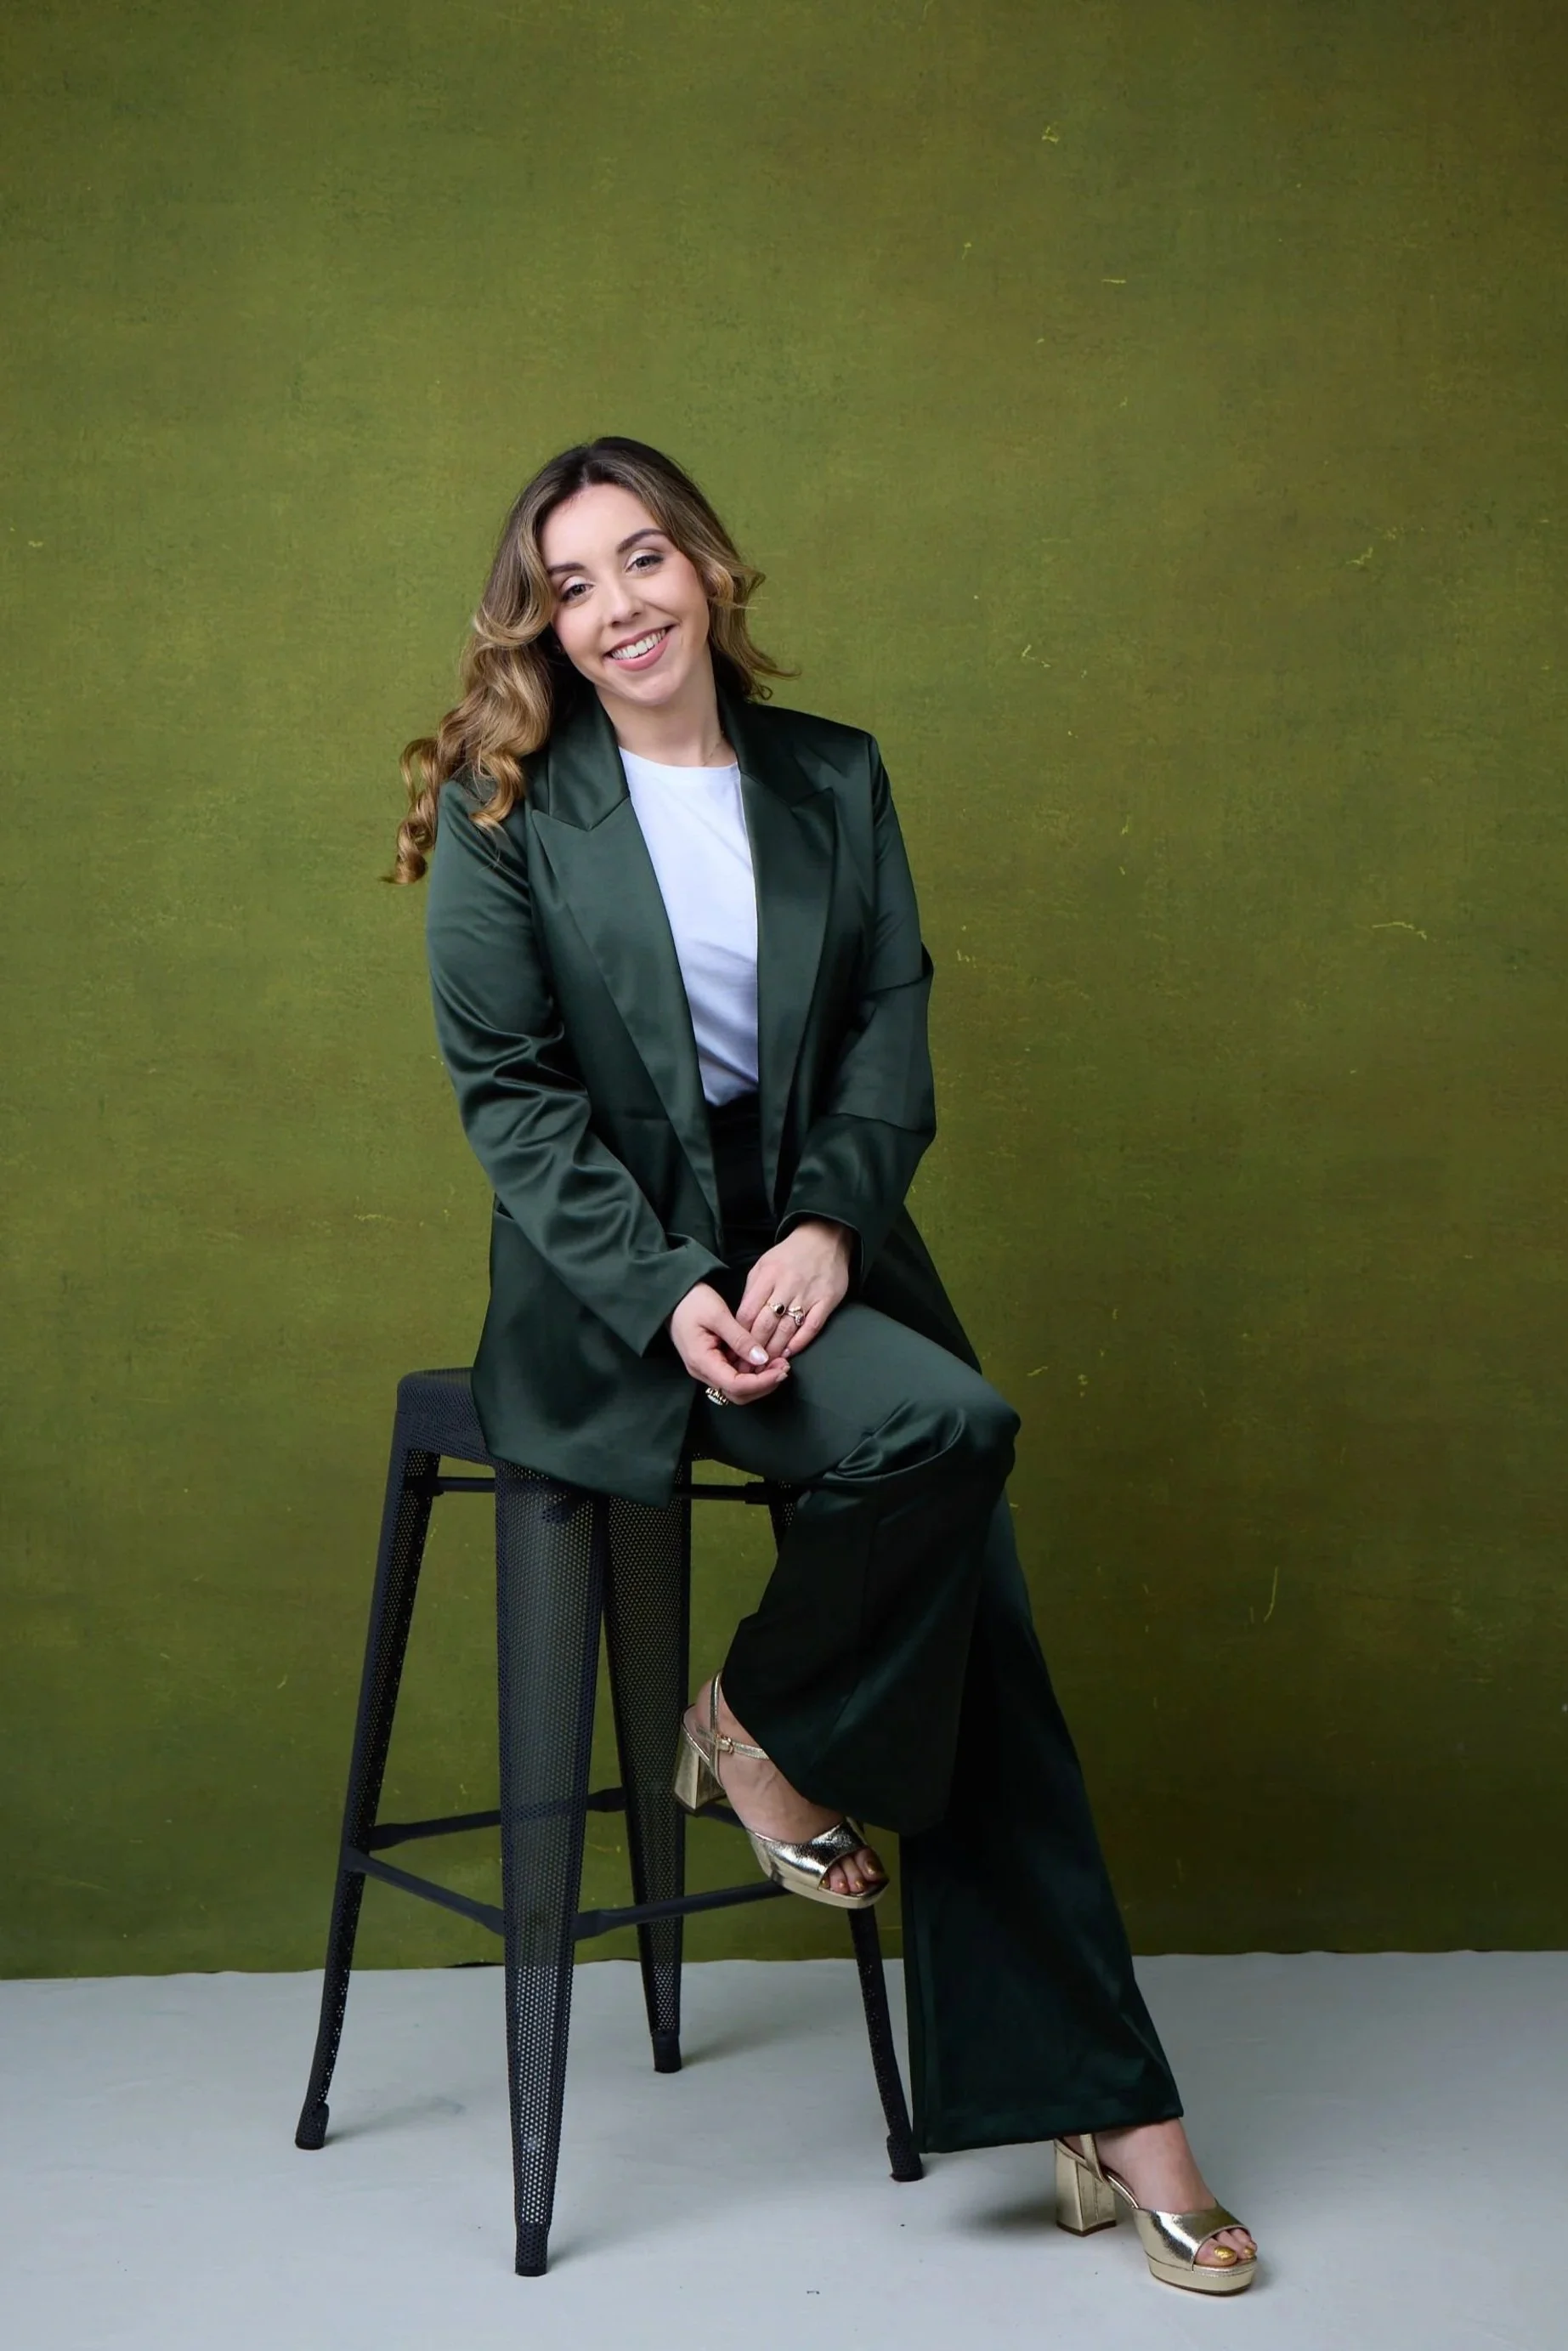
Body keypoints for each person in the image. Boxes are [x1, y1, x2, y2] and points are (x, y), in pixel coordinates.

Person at [398, 436, 1259, 2297]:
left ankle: (752, 1726)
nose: (619, 606)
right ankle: (1114, 2109)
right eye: (573, 583)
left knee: (955, 1483)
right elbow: (514, 1101)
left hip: (809, 1248)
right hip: (608, 1286)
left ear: (707, 568)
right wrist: (658, 1287)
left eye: (645, 559)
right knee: (968, 1561)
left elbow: (887, 1023)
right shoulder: (506, 808)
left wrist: (831, 1226)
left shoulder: (830, 780)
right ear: (541, 621)